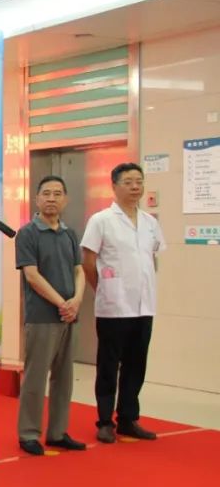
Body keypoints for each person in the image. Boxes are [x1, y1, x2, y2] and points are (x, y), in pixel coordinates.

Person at [81, 162, 165, 443]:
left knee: (136, 364)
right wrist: (102, 289)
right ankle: (105, 421)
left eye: (139, 181)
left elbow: (152, 258)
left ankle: (128, 418)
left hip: (144, 305)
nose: (135, 187)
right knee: (108, 365)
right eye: (128, 182)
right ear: (114, 186)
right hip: (113, 306)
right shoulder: (101, 220)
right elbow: (88, 262)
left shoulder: (150, 222)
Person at [15, 175, 87, 455]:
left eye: (58, 193)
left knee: (64, 377)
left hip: (69, 315)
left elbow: (79, 270)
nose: (52, 199)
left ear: (65, 199)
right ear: (36, 199)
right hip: (42, 316)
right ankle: (29, 433)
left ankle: (57, 431)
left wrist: (76, 301)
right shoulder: (28, 233)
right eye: (46, 193)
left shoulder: (69, 234)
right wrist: (61, 303)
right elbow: (32, 276)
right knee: (35, 377)